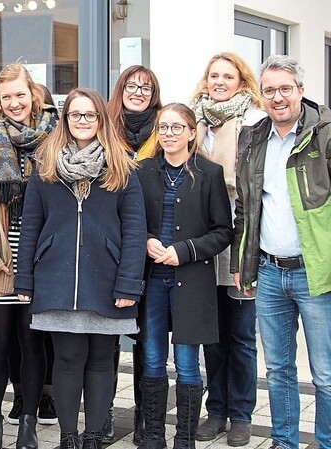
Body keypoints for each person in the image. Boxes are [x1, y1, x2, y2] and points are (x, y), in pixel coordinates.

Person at [14, 87, 146, 449]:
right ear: (65, 120)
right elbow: (30, 225)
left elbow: (135, 231)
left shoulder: (123, 165)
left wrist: (129, 284)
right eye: (75, 115)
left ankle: (93, 438)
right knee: (68, 360)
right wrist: (24, 278)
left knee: (102, 361)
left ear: (101, 119)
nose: (82, 121)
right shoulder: (46, 166)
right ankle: (69, 437)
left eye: (90, 115)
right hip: (55, 279)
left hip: (108, 279)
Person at [232, 55, 331, 449]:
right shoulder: (253, 137)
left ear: (300, 91)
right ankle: (284, 441)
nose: (277, 97)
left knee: (324, 373)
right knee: (277, 369)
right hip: (270, 272)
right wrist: (244, 264)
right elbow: (245, 206)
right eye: (269, 90)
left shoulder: (324, 133)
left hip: (315, 272)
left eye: (284, 89)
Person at [0, 63, 58, 449]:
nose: (14, 103)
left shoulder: (54, 136)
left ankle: (28, 423)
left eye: (20, 95)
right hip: (0, 256)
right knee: (0, 341)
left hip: (40, 257)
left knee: (33, 341)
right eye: (6, 97)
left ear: (33, 94)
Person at [137, 103, 233, 449]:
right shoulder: (143, 170)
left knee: (188, 362)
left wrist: (185, 250)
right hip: (152, 281)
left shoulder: (209, 173)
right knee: (151, 358)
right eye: (163, 128)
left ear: (192, 132)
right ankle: (152, 436)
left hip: (191, 280)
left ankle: (185, 439)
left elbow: (224, 231)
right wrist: (146, 239)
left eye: (177, 127)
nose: (169, 134)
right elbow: (131, 222)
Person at [187, 52, 266, 447]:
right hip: (204, 242)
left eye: (228, 76)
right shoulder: (195, 123)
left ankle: (241, 414)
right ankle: (215, 410)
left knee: (241, 336)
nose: (219, 81)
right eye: (213, 75)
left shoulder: (253, 122)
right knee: (211, 336)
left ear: (241, 82)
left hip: (240, 240)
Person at [103, 64, 163, 444]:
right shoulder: (105, 129)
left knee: (147, 339)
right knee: (106, 338)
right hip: (110, 248)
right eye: (132, 85)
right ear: (120, 89)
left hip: (153, 248)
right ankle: (103, 410)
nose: (138, 91)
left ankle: (146, 416)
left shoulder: (165, 130)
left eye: (146, 87)